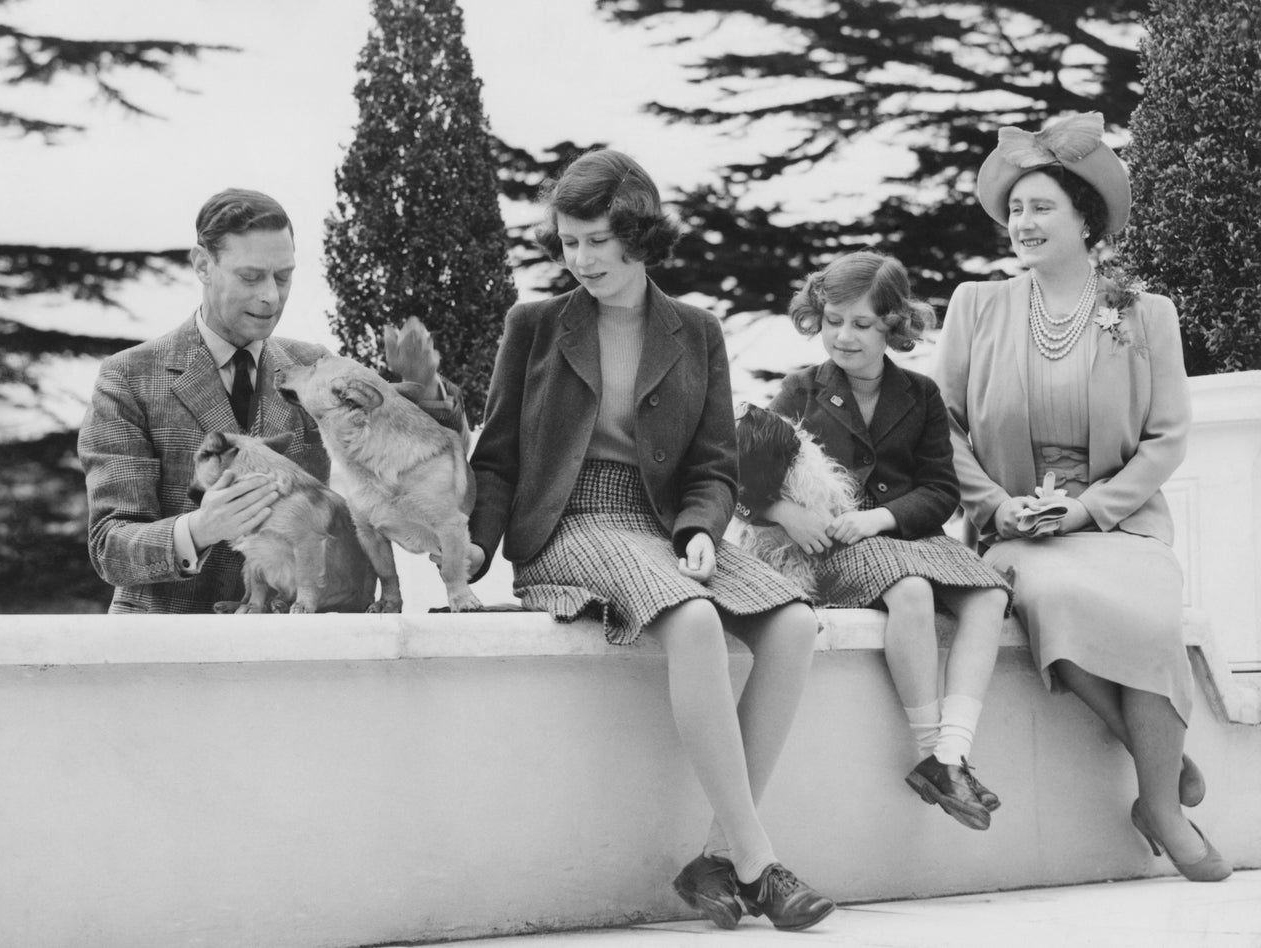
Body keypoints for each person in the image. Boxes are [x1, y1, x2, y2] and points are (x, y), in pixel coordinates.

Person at [465, 150, 835, 932]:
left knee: (796, 622)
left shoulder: (696, 331)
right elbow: (496, 455)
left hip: (663, 528)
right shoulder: (532, 326)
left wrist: (701, 529)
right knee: (695, 621)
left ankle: (716, 858)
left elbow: (713, 464)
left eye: (599, 239)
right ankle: (761, 862)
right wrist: (473, 548)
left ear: (639, 234)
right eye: (569, 242)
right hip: (569, 525)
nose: (582, 258)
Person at [934, 111, 1230, 881]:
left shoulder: (1144, 313)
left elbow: (1166, 437)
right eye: (1017, 209)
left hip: (1121, 527)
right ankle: (1157, 764)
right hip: (1019, 533)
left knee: (1151, 617)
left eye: (1042, 208)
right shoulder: (976, 307)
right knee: (1054, 596)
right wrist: (998, 507)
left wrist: (1089, 509)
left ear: (1085, 220)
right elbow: (946, 432)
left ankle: (1157, 803)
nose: (1022, 224)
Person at [80, 187, 464, 614]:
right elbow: (108, 546)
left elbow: (414, 443)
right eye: (251, 277)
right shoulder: (127, 377)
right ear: (203, 265)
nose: (272, 296)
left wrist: (429, 389)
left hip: (304, 642)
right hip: (172, 651)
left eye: (283, 277)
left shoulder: (316, 366)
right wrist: (200, 529)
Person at [745, 251, 1012, 831]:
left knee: (990, 596)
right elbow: (743, 476)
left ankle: (949, 756)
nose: (844, 335)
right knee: (911, 591)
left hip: (903, 533)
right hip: (836, 546)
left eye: (862, 324)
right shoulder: (802, 389)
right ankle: (929, 746)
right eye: (834, 319)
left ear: (893, 324)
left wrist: (883, 518)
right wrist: (789, 514)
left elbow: (941, 491)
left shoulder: (919, 394)